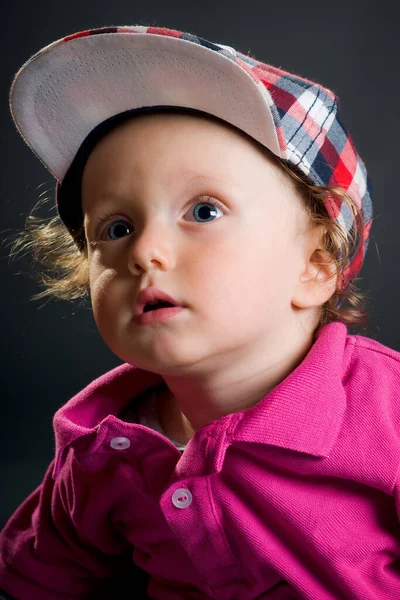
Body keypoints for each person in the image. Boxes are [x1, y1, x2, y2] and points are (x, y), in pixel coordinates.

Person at [0, 23, 399, 600]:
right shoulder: (102, 449)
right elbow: (41, 579)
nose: (143, 251)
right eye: (115, 228)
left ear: (315, 265)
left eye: (204, 212)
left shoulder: (384, 413)